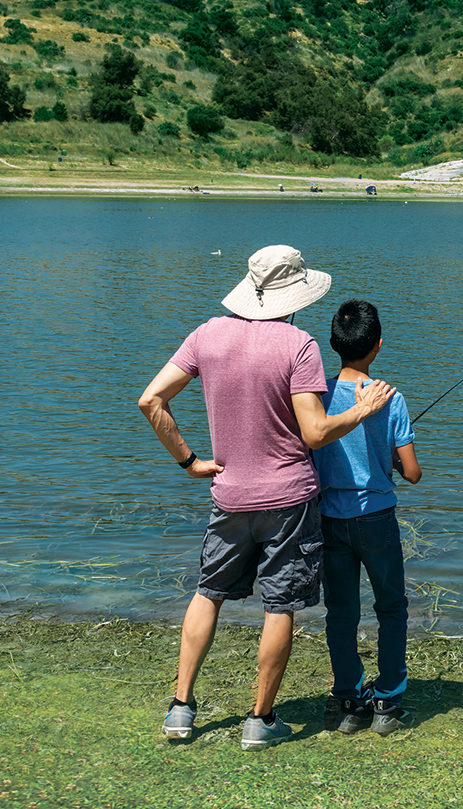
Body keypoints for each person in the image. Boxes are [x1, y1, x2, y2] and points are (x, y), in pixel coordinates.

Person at [138, 245, 395, 751]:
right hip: (289, 501)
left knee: (207, 593)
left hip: (229, 494)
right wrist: (362, 410)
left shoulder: (206, 334)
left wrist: (189, 461)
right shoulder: (298, 345)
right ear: (295, 296)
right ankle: (260, 720)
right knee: (280, 605)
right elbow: (317, 432)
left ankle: (181, 708)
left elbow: (150, 399)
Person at [314, 299, 421, 737]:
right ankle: (388, 701)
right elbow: (412, 473)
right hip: (376, 518)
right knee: (391, 608)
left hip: (329, 518)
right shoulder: (389, 398)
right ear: (377, 345)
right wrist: (395, 463)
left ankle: (348, 700)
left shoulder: (316, 392)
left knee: (341, 612)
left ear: (334, 345)